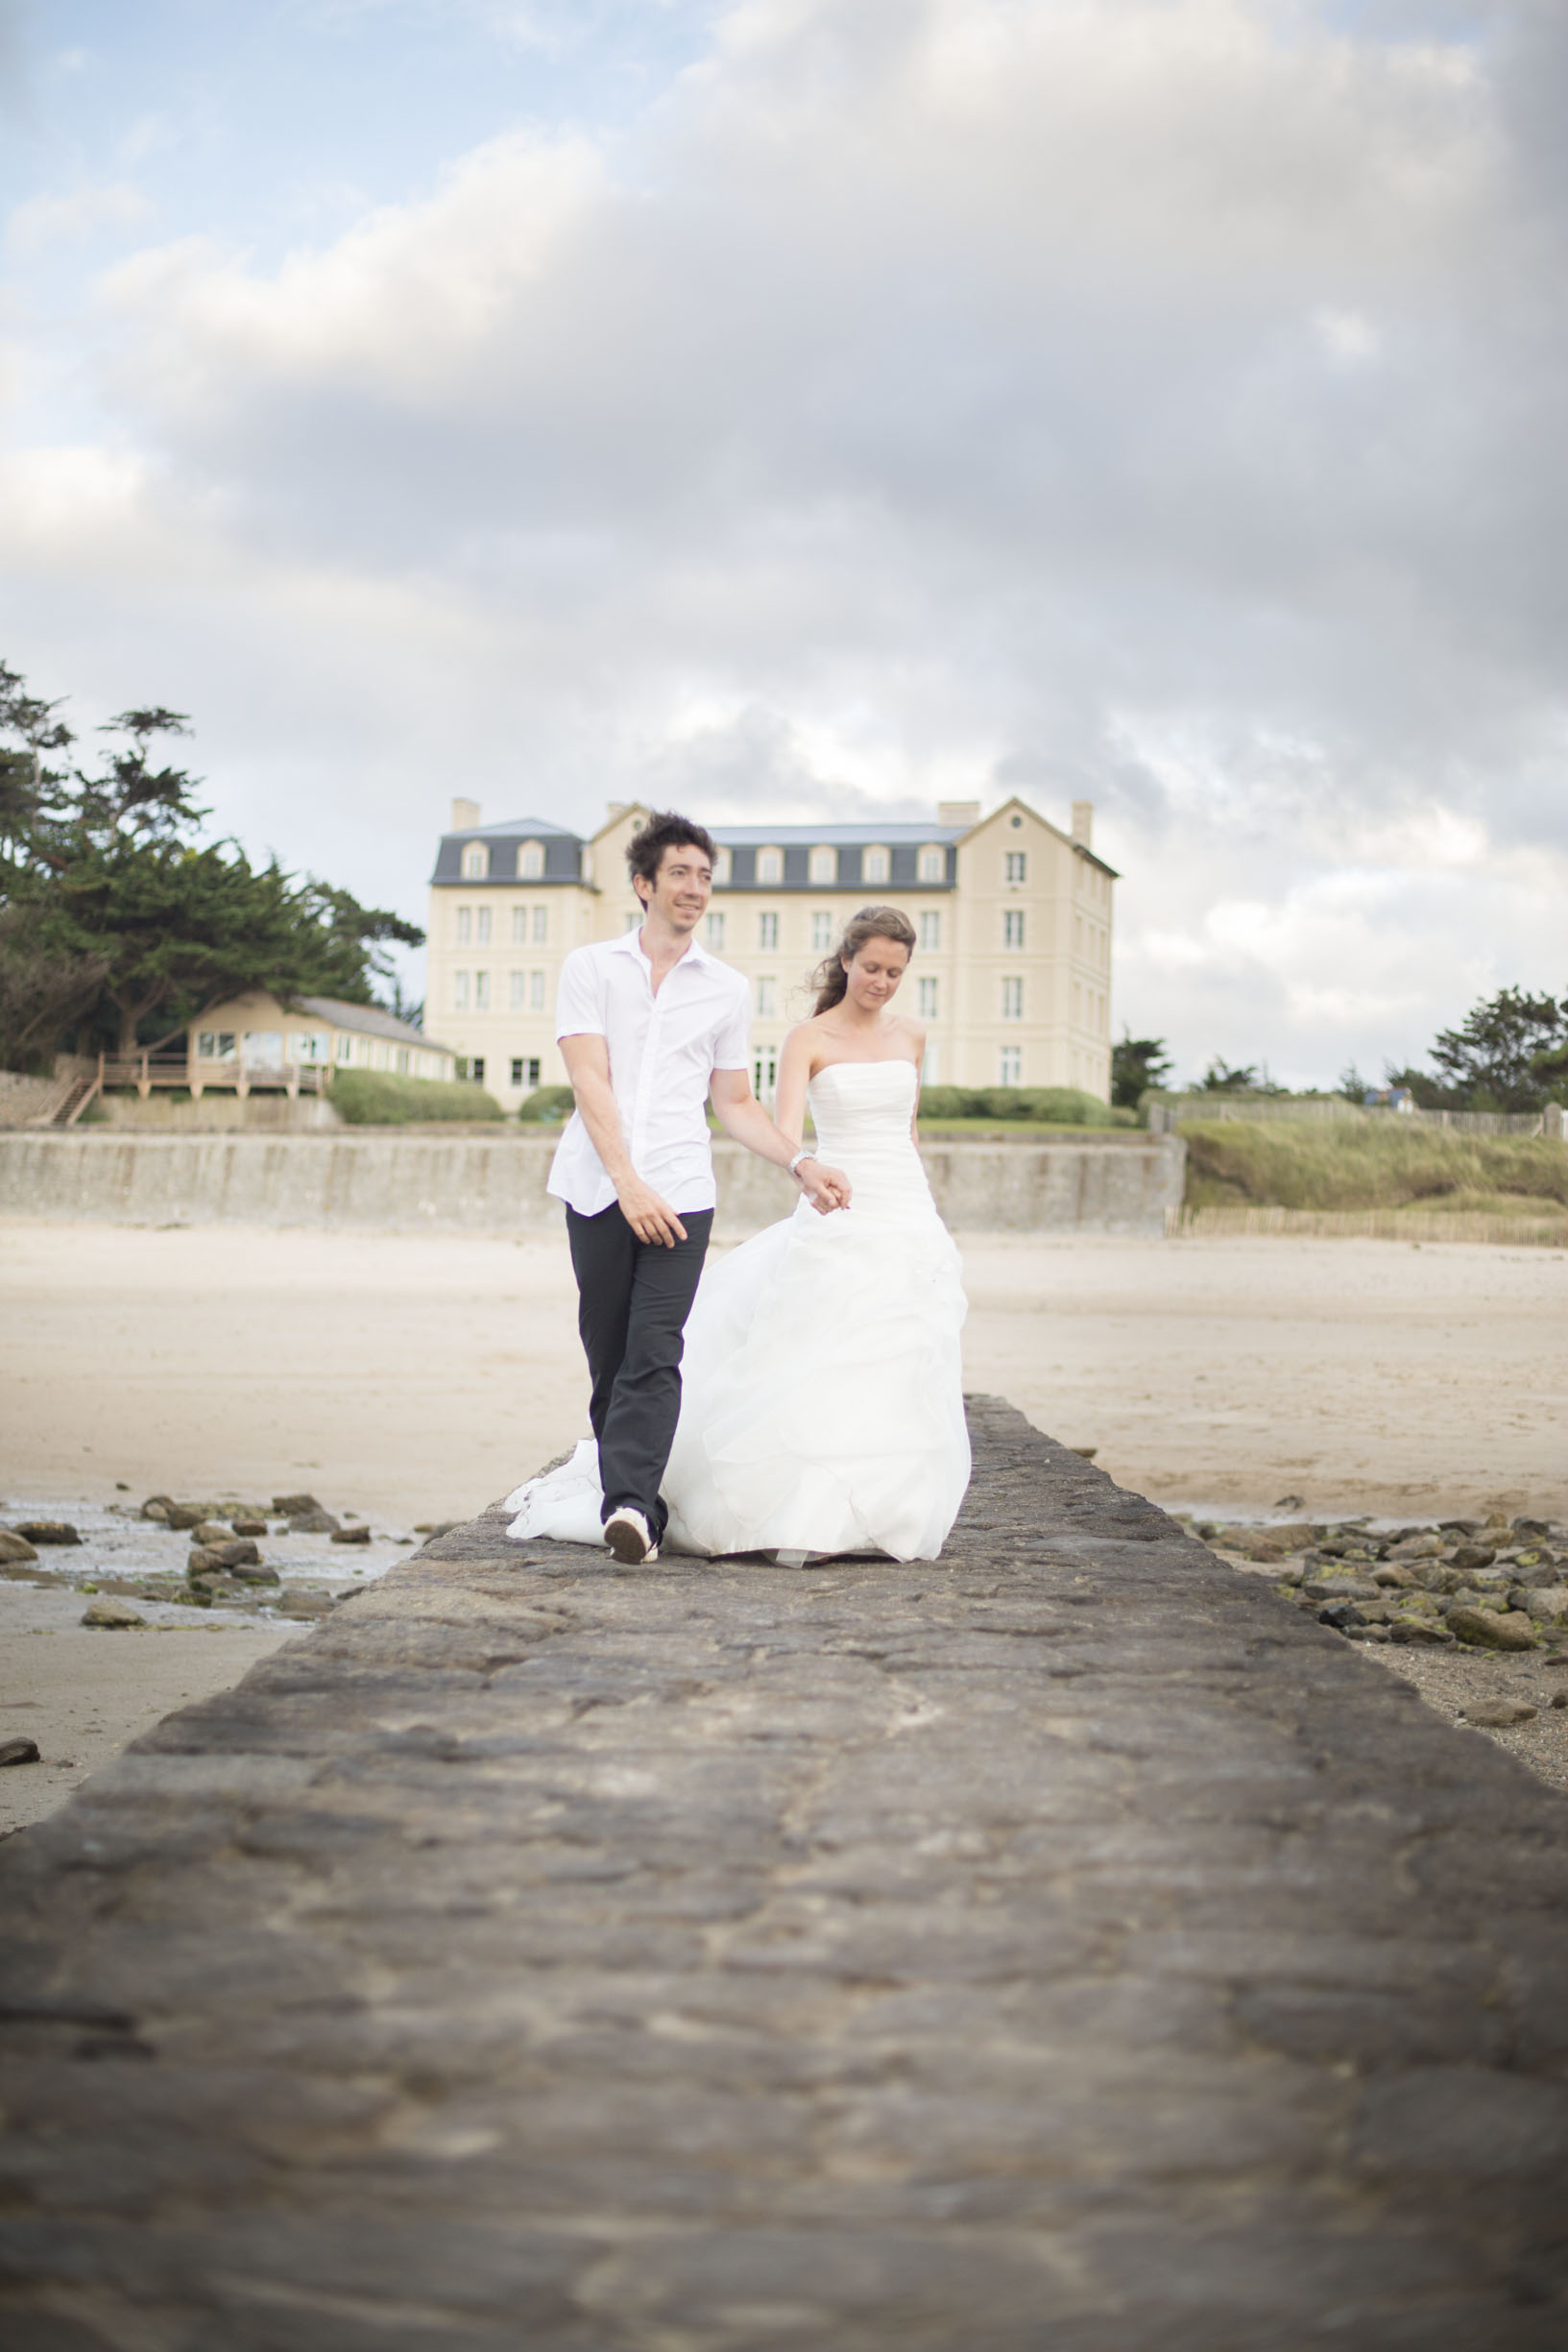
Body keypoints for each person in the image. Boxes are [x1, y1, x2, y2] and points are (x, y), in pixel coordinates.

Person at [507, 900, 971, 1564]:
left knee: (903, 1352)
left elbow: (909, 1129)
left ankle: (886, 1509)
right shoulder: (806, 1038)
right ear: (845, 961)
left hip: (906, 1204)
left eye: (895, 971)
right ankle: (799, 1507)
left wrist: (920, 1202)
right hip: (838, 1198)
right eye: (871, 967)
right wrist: (804, 1170)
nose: (882, 981)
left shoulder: (912, 1037)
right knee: (826, 1345)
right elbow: (777, 1127)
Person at [527, 810, 852, 1567]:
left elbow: (733, 1102)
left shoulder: (726, 990)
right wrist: (626, 1183)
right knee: (606, 1352)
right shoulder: (590, 968)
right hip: (597, 1187)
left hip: (681, 1188)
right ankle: (630, 1487)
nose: (695, 887)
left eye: (705, 876)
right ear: (643, 884)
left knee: (654, 1349)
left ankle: (633, 1509)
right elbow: (588, 1078)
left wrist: (797, 1162)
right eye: (679, 872)